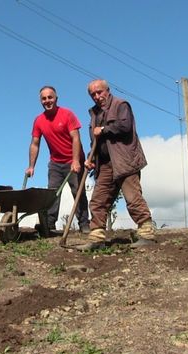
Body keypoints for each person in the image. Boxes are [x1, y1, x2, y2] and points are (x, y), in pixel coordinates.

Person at [79, 79, 155, 250]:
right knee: (98, 200)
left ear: (107, 90)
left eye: (100, 92)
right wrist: (91, 159)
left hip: (124, 160)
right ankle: (96, 238)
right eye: (93, 94)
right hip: (105, 164)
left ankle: (146, 233)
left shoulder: (121, 104)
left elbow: (125, 126)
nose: (97, 97)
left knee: (133, 198)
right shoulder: (94, 114)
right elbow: (96, 141)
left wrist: (104, 129)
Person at [25, 86, 90, 234]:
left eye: (50, 97)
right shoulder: (39, 120)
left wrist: (75, 161)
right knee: (52, 193)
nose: (47, 101)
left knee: (78, 191)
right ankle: (49, 224)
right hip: (55, 162)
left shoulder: (67, 114)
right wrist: (31, 166)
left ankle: (84, 224)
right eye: (44, 98)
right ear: (41, 101)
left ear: (56, 98)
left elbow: (76, 138)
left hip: (73, 159)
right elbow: (35, 143)